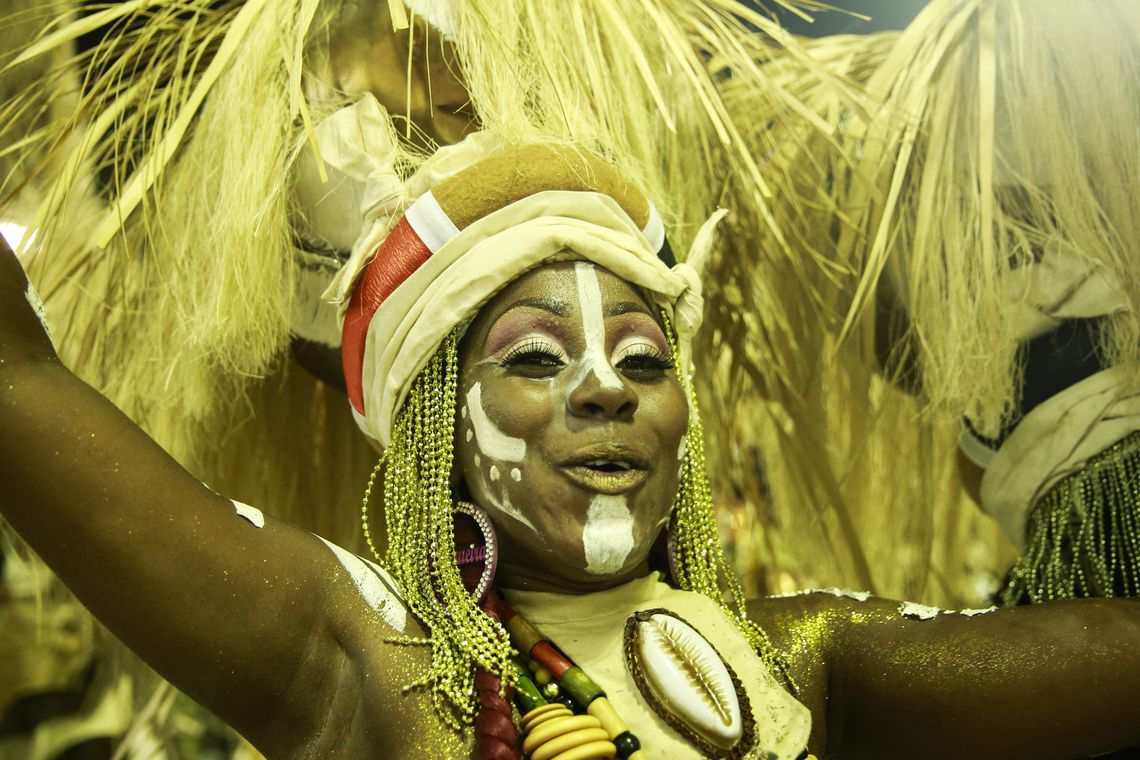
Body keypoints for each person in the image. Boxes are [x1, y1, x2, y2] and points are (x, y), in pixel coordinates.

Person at [4, 139, 1140, 760]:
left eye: (646, 362)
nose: (607, 390)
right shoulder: (365, 654)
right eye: (537, 360)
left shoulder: (801, 660)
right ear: (438, 426)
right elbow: (21, 388)